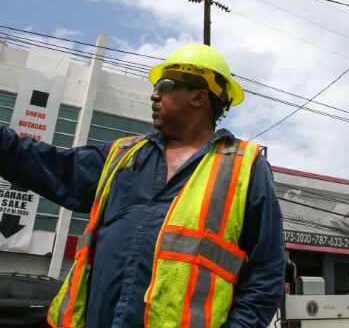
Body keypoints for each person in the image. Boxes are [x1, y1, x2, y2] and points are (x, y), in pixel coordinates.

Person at [0, 43, 286, 327]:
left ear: (199, 97)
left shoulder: (244, 167)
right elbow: (45, 164)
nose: (154, 94)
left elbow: (266, 273)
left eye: (165, 85)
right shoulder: (122, 155)